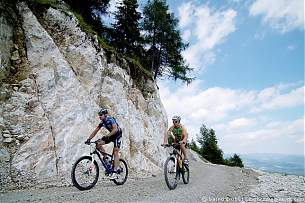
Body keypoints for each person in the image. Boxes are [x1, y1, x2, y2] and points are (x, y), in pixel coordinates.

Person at [85, 108, 122, 179]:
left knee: (115, 151)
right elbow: (95, 130)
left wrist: (107, 136)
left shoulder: (110, 119)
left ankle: (114, 172)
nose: (99, 116)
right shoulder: (102, 122)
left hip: (117, 135)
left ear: (105, 115)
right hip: (111, 135)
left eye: (101, 115)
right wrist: (89, 139)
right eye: (99, 115)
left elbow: (115, 129)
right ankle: (107, 160)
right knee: (98, 144)